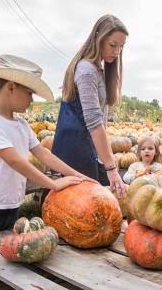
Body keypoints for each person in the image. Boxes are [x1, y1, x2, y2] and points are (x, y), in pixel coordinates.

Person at [0, 54, 95, 232]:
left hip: (11, 204)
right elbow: (15, 161)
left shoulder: (21, 124)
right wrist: (53, 184)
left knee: (3, 252)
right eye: (29, 93)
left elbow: (44, 155)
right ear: (11, 87)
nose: (32, 100)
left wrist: (77, 175)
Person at [52, 14, 128, 198]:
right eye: (113, 45)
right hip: (76, 148)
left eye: (121, 46)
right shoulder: (86, 70)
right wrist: (111, 168)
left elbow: (101, 121)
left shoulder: (98, 70)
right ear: (97, 38)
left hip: (87, 146)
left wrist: (108, 162)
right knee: (85, 204)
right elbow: (94, 123)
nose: (117, 51)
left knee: (100, 197)